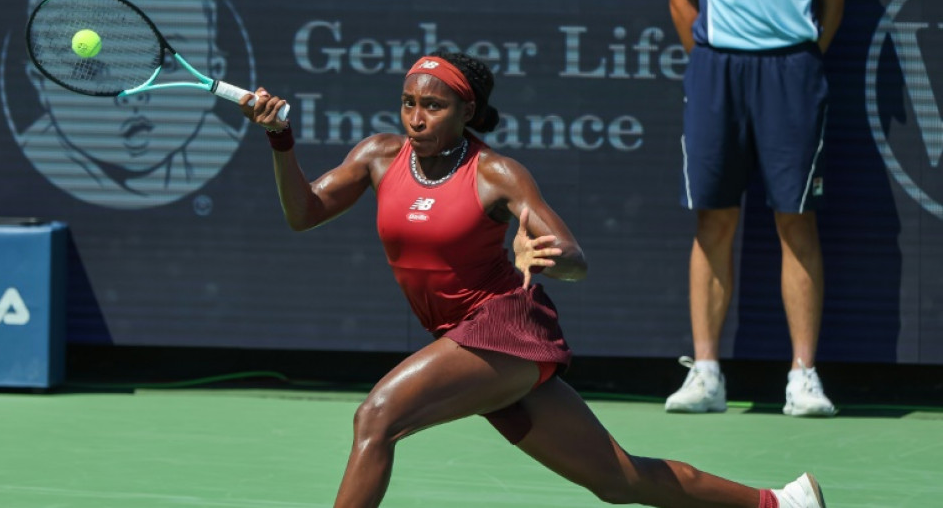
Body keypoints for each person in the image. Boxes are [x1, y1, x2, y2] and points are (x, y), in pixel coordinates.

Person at [243, 51, 827, 507]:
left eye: (434, 106)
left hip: (504, 329)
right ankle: (781, 503)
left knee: (377, 417)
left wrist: (545, 255)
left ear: (466, 110)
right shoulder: (378, 154)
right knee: (618, 479)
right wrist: (279, 139)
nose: (416, 118)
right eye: (408, 103)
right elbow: (304, 213)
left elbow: (575, 256)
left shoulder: (496, 174)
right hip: (463, 341)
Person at [664, 0, 847, 417]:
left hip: (793, 70)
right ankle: (706, 373)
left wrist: (792, 57)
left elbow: (832, 4)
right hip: (716, 69)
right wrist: (715, 58)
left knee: (796, 217)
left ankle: (803, 375)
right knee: (713, 219)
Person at [19, 0, 243, 209]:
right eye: (89, 72)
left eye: (165, 64)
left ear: (215, 68)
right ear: (39, 84)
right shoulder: (31, 154)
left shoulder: (223, 146)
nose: (134, 93)